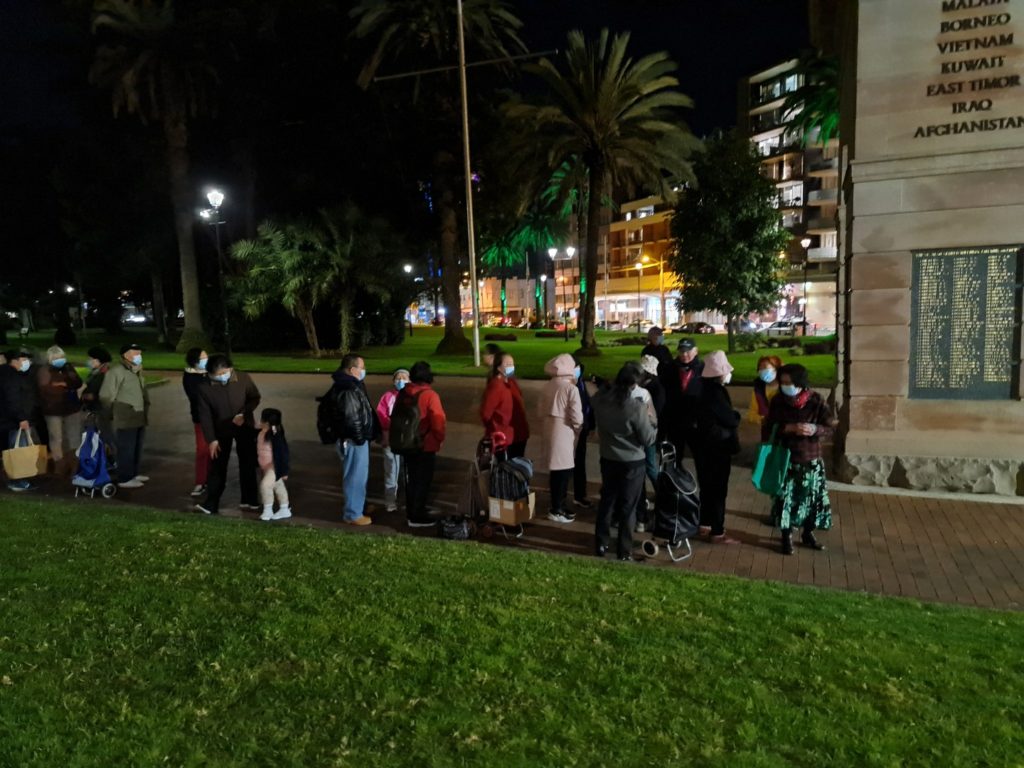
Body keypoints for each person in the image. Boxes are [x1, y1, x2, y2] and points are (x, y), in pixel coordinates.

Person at [763, 363, 836, 556]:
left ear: (800, 382)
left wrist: (814, 429)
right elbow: (768, 427)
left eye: (789, 382)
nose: (786, 386)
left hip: (811, 458)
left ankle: (808, 533)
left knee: (812, 499)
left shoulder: (816, 401)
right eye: (783, 382)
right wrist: (788, 428)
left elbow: (830, 427)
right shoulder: (778, 401)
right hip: (786, 459)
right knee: (785, 499)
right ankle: (786, 536)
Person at [591, 363, 657, 561]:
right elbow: (648, 438)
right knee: (628, 506)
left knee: (607, 500)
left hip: (608, 457)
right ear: (634, 384)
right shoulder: (636, 407)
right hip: (632, 461)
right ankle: (624, 550)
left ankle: (601, 543)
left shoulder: (600, 400)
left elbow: (597, 398)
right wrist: (652, 421)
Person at [195, 354, 261, 515]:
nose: (221, 377)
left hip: (243, 425)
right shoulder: (204, 387)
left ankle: (250, 499)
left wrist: (244, 413)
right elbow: (205, 416)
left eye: (224, 373)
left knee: (248, 462)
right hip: (220, 430)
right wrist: (211, 439)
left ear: (230, 369)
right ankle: (211, 503)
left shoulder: (243, 378)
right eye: (217, 375)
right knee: (218, 465)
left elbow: (254, 397)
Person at [696, 350, 741, 545]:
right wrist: (736, 416)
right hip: (718, 448)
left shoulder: (701, 389)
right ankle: (717, 531)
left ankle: (705, 523)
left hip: (704, 447)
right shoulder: (717, 393)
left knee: (706, 487)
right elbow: (730, 419)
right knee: (718, 490)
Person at [330, 353, 376, 526]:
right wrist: (360, 438)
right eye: (361, 367)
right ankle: (353, 514)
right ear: (351, 369)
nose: (364, 371)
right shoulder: (348, 388)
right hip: (353, 440)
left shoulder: (349, 385)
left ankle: (357, 506)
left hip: (353, 439)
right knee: (355, 476)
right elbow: (351, 417)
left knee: (357, 475)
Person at [399, 361, 446, 528]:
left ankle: (413, 510)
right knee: (423, 480)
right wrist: (439, 439)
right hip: (426, 444)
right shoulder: (430, 395)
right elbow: (438, 422)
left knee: (412, 479)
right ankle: (417, 515)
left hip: (407, 442)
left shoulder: (404, 393)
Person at [537, 353, 583, 523]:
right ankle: (557, 508)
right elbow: (577, 416)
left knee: (556, 472)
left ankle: (558, 505)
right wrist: (578, 427)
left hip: (549, 429)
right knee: (563, 472)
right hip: (564, 431)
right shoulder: (570, 388)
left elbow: (539, 410)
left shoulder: (547, 386)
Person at [98, 344, 150, 489]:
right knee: (126, 447)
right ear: (126, 355)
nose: (139, 355)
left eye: (140, 353)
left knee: (136, 446)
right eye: (136, 353)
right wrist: (114, 411)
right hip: (125, 414)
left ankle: (133, 473)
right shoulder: (117, 372)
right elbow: (106, 395)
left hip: (139, 413)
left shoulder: (136, 370)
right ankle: (125, 477)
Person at [36, 345, 84, 475]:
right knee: (56, 437)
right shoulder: (44, 371)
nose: (60, 360)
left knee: (74, 436)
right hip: (53, 409)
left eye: (61, 357)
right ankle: (59, 464)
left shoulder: (68, 367)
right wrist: (66, 387)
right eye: (56, 358)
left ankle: (75, 463)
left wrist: (64, 384)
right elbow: (46, 389)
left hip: (71, 408)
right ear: (50, 358)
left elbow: (78, 382)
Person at [0, 349, 41, 492]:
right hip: (15, 421)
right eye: (23, 359)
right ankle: (18, 480)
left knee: (14, 450)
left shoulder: (8, 374)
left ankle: (18, 478)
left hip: (10, 420)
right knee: (18, 452)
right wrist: (22, 418)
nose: (27, 362)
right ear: (15, 361)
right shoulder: (12, 377)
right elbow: (13, 399)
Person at [634, 354, 667, 531]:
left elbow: (656, 415)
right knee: (647, 466)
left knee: (650, 467)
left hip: (649, 434)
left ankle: (663, 495)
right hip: (643, 433)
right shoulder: (645, 387)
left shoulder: (655, 389)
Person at [480, 351, 529, 459]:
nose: (511, 367)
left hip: (519, 434)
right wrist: (496, 426)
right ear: (498, 367)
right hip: (504, 437)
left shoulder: (511, 383)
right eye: (507, 364)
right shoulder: (496, 386)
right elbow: (486, 413)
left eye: (512, 364)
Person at [663, 338, 704, 463]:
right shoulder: (670, 368)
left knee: (700, 454)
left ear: (696, 351)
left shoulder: (703, 368)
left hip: (695, 420)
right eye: (682, 351)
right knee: (675, 455)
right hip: (675, 419)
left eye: (688, 351)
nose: (684, 355)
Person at [376, 368, 410, 512]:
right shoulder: (387, 397)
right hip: (390, 439)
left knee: (407, 472)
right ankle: (390, 501)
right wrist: (394, 425)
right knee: (391, 471)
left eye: (404, 378)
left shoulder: (413, 397)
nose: (401, 381)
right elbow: (381, 414)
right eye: (398, 378)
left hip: (407, 441)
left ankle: (409, 500)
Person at [182, 347, 211, 497]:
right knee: (202, 450)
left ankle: (213, 479)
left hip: (216, 418)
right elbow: (196, 397)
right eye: (203, 358)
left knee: (214, 450)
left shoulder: (210, 373)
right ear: (195, 361)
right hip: (201, 418)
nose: (206, 360)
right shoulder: (190, 377)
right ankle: (200, 481)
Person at [256, 407, 291, 522]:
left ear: (266, 422)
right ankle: (284, 508)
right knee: (278, 485)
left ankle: (268, 510)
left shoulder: (275, 435)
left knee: (265, 485)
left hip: (274, 466)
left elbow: (283, 453)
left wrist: (284, 470)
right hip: (266, 466)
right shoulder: (263, 432)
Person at [572, 358, 595, 509]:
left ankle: (580, 494)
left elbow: (587, 404)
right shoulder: (569, 385)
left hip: (582, 429)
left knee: (579, 463)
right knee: (572, 464)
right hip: (573, 430)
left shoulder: (580, 383)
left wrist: (591, 425)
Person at [747, 354, 783, 425]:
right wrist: (762, 420)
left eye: (764, 367)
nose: (762, 371)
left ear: (776, 368)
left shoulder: (785, 388)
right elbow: (751, 414)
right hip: (767, 428)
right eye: (760, 368)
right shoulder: (758, 390)